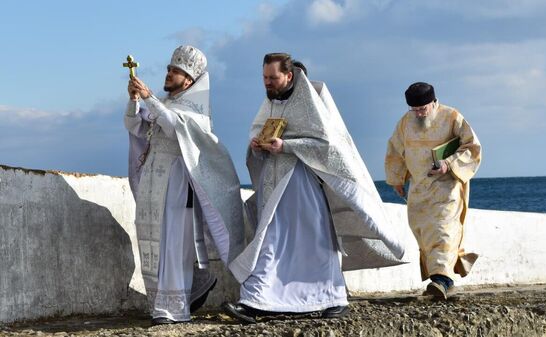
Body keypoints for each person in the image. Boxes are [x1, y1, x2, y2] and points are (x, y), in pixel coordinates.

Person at [224, 53, 405, 323]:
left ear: (289, 75)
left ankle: (332, 297)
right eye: (264, 77)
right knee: (270, 240)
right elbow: (260, 130)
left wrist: (287, 146)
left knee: (316, 242)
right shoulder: (271, 102)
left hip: (301, 184)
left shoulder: (310, 103)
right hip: (274, 184)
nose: (267, 83)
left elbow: (326, 147)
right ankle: (256, 300)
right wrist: (257, 144)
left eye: (272, 78)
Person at [125, 45, 245, 325]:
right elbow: (134, 126)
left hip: (178, 183)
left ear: (189, 80)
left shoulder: (196, 112)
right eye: (168, 69)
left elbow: (173, 126)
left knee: (174, 242)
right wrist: (134, 102)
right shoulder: (163, 105)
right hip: (154, 182)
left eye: (175, 71)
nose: (168, 74)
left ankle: (174, 308)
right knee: (155, 241)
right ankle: (160, 304)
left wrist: (148, 97)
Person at [385, 82, 482, 300]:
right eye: (415, 110)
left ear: (433, 102)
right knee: (425, 234)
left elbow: (472, 147)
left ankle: (441, 281)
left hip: (447, 188)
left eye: (423, 109)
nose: (419, 114)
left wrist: (448, 164)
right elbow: (395, 150)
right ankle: (445, 275)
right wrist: (397, 179)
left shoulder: (452, 117)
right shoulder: (405, 122)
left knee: (444, 230)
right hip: (419, 189)